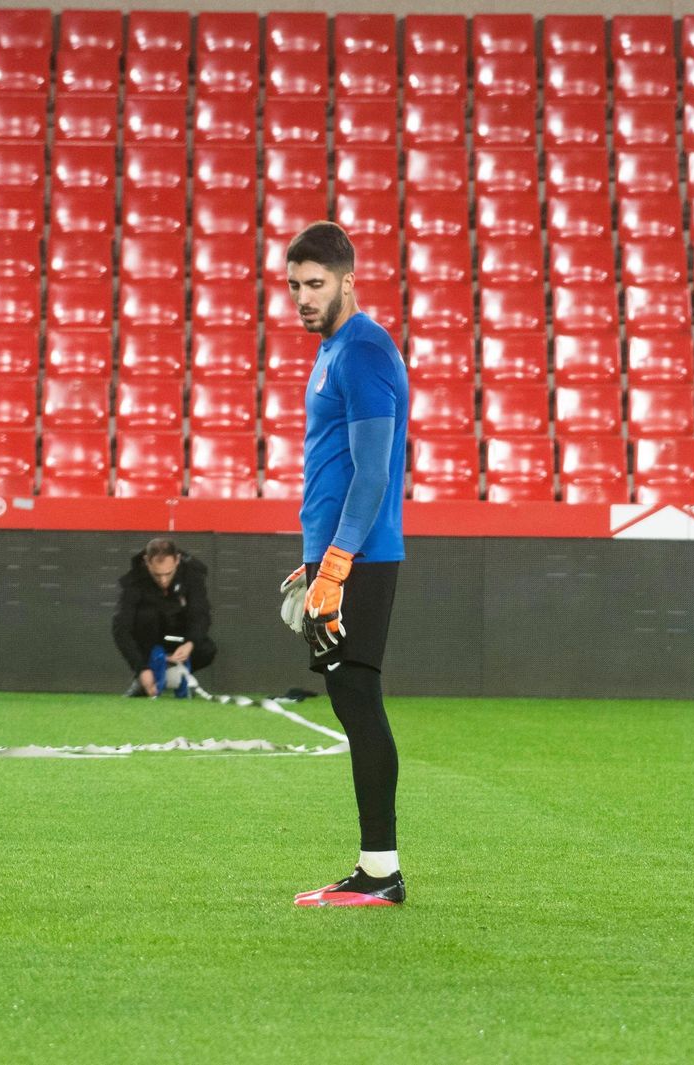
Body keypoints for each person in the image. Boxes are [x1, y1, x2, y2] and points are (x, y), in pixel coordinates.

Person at [280, 222, 411, 908]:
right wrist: (315, 562)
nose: (303, 297)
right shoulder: (335, 349)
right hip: (336, 556)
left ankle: (380, 871)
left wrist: (336, 564)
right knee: (350, 700)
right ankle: (375, 867)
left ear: (347, 280)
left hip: (358, 558)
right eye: (295, 285)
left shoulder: (363, 350)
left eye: (316, 284)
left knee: (358, 699)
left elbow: (372, 473)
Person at [112, 537, 216, 696]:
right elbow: (121, 629)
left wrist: (190, 643)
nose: (163, 580)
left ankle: (171, 674)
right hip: (149, 641)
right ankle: (147, 677)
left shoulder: (193, 576)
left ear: (177, 561)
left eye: (168, 574)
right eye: (157, 574)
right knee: (147, 615)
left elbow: (201, 615)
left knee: (206, 649)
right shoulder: (133, 581)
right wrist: (141, 669)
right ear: (147, 561)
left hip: (179, 638)